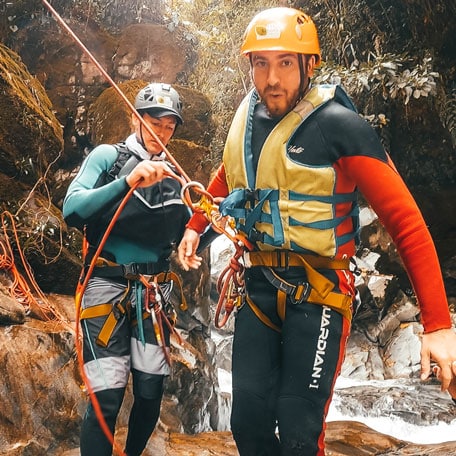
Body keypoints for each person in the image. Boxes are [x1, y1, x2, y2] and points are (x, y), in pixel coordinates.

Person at [177, 7, 456, 456]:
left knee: (299, 432)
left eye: (286, 62)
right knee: (247, 426)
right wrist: (196, 228)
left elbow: (405, 222)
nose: (272, 78)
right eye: (261, 63)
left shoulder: (340, 127)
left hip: (320, 291)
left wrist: (438, 325)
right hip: (256, 288)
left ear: (310, 65)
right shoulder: (247, 117)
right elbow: (233, 176)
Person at [63, 82, 190, 456]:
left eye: (169, 126)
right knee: (107, 398)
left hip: (153, 295)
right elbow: (72, 209)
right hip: (106, 286)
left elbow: (191, 233)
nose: (161, 133)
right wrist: (128, 180)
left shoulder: (176, 178)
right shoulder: (109, 158)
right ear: (135, 118)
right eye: (154, 122)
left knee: (150, 392)